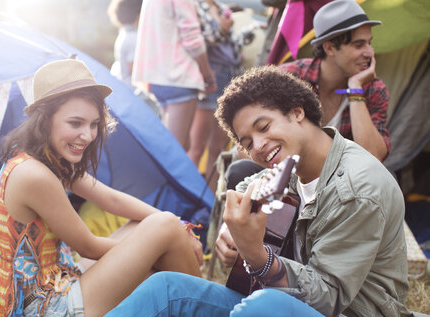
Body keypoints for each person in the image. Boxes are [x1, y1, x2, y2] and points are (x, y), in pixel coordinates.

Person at [90, 66, 430, 317]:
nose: (259, 146)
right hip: (293, 305)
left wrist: (256, 254)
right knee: (167, 288)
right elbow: (250, 182)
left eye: (263, 127)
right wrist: (230, 230)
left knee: (263, 307)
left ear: (298, 112)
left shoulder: (357, 188)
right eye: (247, 141)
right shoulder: (295, 163)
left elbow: (329, 299)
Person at [0, 59, 202, 317]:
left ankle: (197, 308)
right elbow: (87, 246)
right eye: (75, 123)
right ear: (45, 120)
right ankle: (208, 315)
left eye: (93, 124)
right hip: (42, 312)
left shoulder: (44, 158)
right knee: (163, 228)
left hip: (60, 280)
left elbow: (110, 198)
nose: (88, 136)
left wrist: (180, 229)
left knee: (153, 225)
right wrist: (158, 246)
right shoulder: (34, 175)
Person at [226, 0, 392, 186]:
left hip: (339, 185)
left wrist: (355, 91)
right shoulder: (289, 77)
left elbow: (372, 159)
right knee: (240, 171)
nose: (369, 53)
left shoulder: (373, 89)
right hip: (287, 177)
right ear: (329, 48)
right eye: (359, 45)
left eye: (369, 43)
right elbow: (247, 146)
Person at [187, 1, 255, 192]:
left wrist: (245, 35)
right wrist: (224, 30)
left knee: (217, 149)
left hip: (229, 77)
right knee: (196, 147)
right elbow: (200, 42)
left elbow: (229, 45)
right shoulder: (196, 7)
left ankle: (209, 198)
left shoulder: (220, 6)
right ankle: (186, 195)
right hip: (210, 77)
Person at [132, 0, 217, 149]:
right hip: (179, 76)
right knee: (174, 152)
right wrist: (207, 75)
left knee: (181, 146)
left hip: (157, 77)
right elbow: (193, 40)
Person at [107, 0, 142, 88]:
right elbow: (134, 69)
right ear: (137, 15)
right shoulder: (133, 37)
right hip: (134, 89)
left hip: (123, 84)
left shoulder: (123, 34)